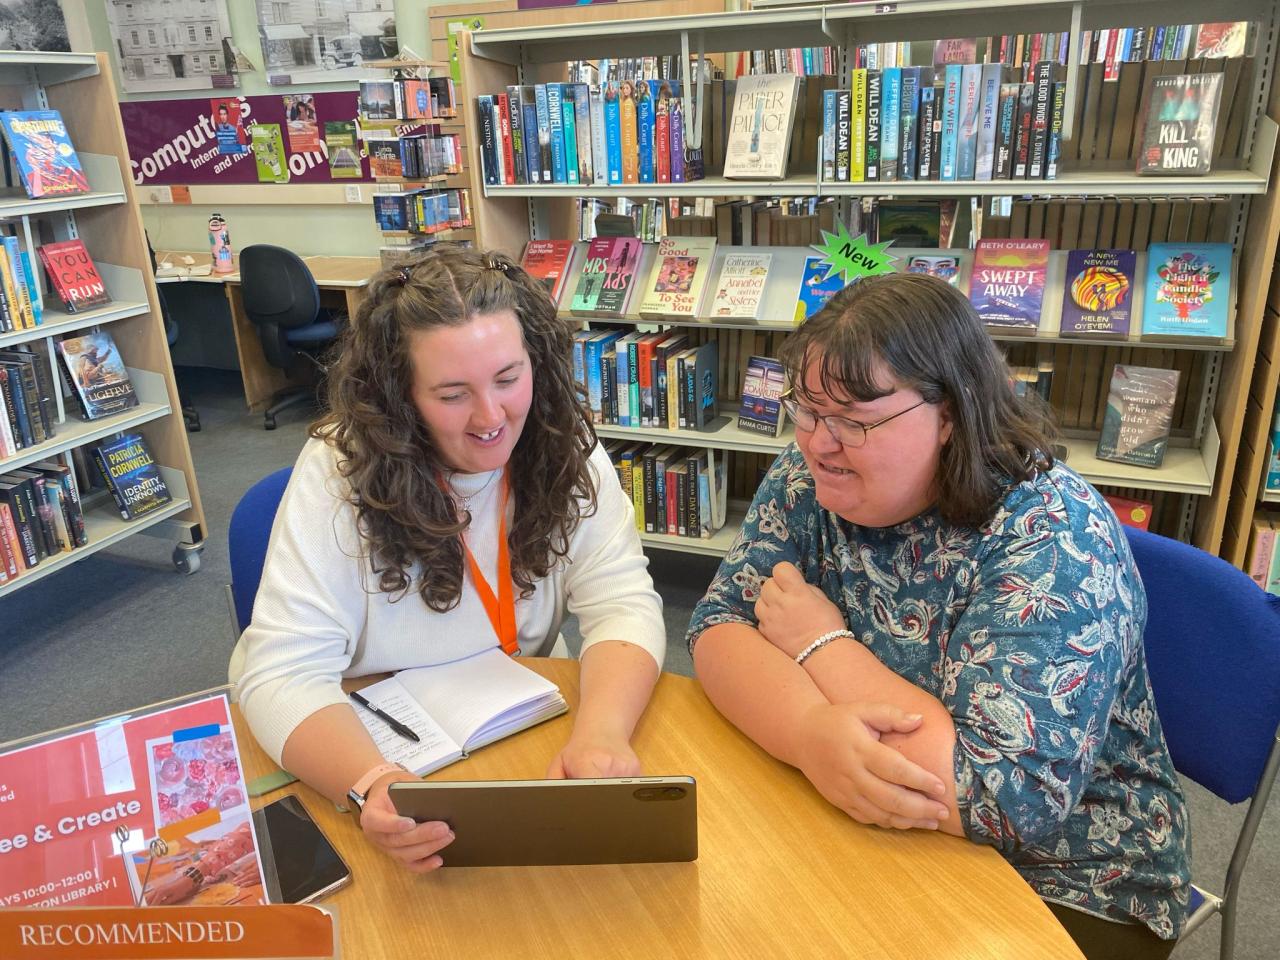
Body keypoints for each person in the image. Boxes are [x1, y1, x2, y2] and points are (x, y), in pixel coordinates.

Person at [688, 273, 1188, 959]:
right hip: (864, 815)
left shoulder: (1051, 536)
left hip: (1069, 883)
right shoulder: (813, 472)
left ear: (949, 413)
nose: (818, 442)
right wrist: (807, 731)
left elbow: (995, 796)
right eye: (805, 409)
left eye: (855, 421)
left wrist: (818, 643)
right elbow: (717, 629)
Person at [231, 246, 665, 874]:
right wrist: (370, 780)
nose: (492, 418)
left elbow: (622, 602)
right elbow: (279, 673)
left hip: (520, 717)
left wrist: (601, 733)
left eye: (509, 379)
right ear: (399, 396)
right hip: (366, 732)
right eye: (453, 394)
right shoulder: (338, 470)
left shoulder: (563, 443)